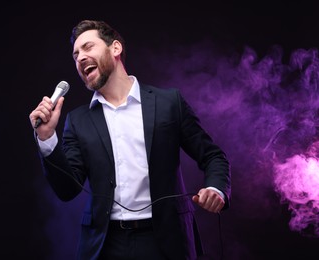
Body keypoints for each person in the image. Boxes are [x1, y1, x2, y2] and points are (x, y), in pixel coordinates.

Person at [29, 19, 231, 260]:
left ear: (115, 49)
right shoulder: (78, 120)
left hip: (165, 240)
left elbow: (212, 156)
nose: (80, 58)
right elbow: (67, 190)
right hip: (106, 245)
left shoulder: (168, 103)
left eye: (88, 47)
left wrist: (215, 188)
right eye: (75, 55)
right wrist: (46, 138)